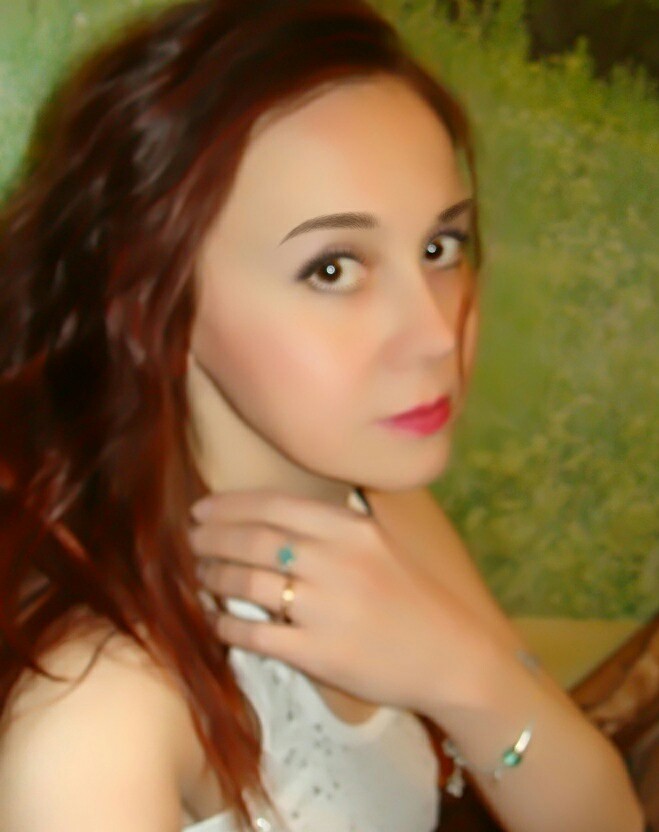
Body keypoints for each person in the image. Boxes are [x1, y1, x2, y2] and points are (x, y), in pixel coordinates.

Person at [0, 1, 645, 830]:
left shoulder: (375, 510)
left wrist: (465, 678)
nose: (436, 335)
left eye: (440, 248)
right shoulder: (100, 718)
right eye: (333, 269)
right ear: (151, 306)